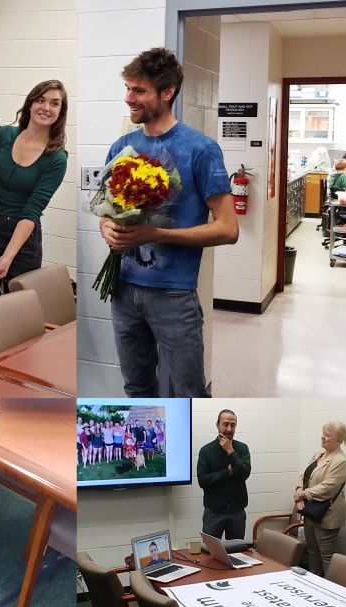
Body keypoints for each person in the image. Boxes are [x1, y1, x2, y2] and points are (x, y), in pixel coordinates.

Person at [99, 47, 238, 398]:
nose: (129, 98)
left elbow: (228, 228)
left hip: (173, 294)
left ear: (168, 92)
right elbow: (105, 211)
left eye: (139, 91)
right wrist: (108, 230)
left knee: (189, 392)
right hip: (123, 289)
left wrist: (156, 233)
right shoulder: (122, 145)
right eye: (128, 89)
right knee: (136, 389)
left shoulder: (201, 149)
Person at [0, 80, 68, 289]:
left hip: (20, 239)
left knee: (14, 309)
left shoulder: (56, 158)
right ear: (30, 104)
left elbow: (32, 212)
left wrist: (8, 256)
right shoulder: (5, 135)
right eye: (40, 100)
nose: (46, 108)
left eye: (54, 103)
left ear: (60, 112)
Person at [294, 421, 346, 577]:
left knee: (326, 555)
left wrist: (303, 494)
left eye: (327, 435)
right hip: (310, 511)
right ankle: (313, 580)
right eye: (323, 433)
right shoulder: (317, 454)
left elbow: (328, 488)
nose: (323, 437)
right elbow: (303, 475)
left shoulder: (340, 461)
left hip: (327, 515)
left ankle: (329, 588)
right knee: (311, 551)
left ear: (339, 440)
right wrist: (299, 491)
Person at [197, 410, 251, 540]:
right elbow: (202, 481)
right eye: (225, 424)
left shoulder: (242, 448)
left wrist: (230, 451)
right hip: (214, 512)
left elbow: (245, 473)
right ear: (217, 425)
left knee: (237, 552)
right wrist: (227, 472)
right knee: (209, 551)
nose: (229, 429)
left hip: (237, 511)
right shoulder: (206, 450)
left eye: (233, 425)